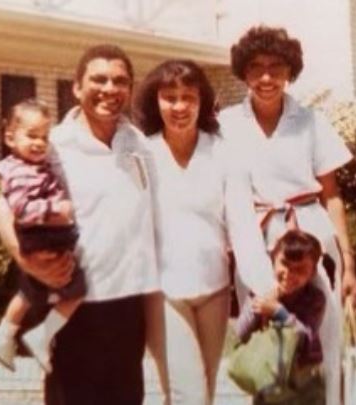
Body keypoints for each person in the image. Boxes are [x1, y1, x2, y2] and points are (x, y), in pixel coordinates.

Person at [0, 44, 165, 405]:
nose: (109, 89)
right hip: (71, 301)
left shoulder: (137, 143)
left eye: (120, 81)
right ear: (76, 87)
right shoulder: (53, 143)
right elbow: (3, 208)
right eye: (98, 79)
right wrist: (24, 260)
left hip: (128, 303)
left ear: (130, 89)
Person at [219, 25, 356, 405]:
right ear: (244, 71)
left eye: (276, 67)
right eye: (256, 67)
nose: (266, 77)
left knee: (321, 340)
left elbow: (331, 194)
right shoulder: (227, 124)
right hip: (257, 244)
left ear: (290, 71)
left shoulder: (311, 120)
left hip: (312, 240)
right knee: (266, 345)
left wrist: (348, 264)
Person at [133, 59, 274, 405]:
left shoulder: (224, 152)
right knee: (188, 395)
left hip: (213, 289)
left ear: (203, 102)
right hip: (162, 292)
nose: (179, 106)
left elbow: (243, 226)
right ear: (156, 101)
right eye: (169, 97)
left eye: (188, 97)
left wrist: (266, 289)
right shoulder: (141, 154)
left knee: (203, 393)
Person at [0, 99, 86, 373]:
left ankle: (6, 335)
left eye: (44, 137)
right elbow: (22, 209)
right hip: (41, 235)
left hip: (43, 234)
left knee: (33, 288)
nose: (39, 143)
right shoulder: (19, 171)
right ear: (10, 137)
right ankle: (39, 335)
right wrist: (58, 209)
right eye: (31, 136)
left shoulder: (29, 166)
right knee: (76, 288)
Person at [235, 229, 326, 404]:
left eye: (299, 269)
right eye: (284, 264)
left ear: (312, 272)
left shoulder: (314, 298)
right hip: (268, 378)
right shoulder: (260, 291)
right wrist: (260, 304)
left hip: (304, 380)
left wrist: (279, 312)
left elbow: (305, 338)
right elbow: (239, 334)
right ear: (273, 260)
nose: (289, 274)